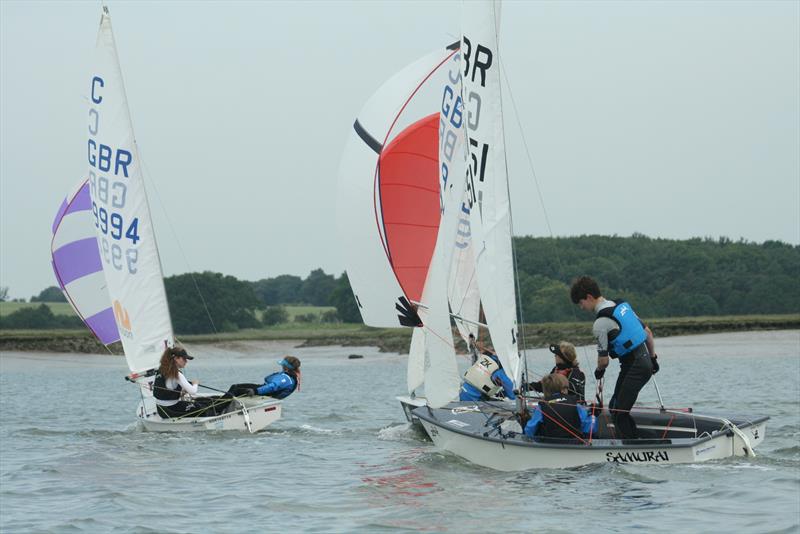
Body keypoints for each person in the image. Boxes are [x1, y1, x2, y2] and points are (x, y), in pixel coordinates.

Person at [570, 276, 659, 439]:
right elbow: (648, 333)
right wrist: (653, 360)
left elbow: (603, 361)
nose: (582, 308)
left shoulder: (600, 323)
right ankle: (635, 440)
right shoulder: (620, 306)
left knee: (619, 412)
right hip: (641, 361)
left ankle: (632, 447)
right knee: (615, 407)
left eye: (581, 303)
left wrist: (599, 371)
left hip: (636, 366)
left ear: (589, 297)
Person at [152, 346, 222, 418]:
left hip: (161, 410)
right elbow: (193, 391)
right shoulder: (177, 374)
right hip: (171, 409)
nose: (186, 361)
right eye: (184, 359)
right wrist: (195, 384)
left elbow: (168, 387)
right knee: (200, 407)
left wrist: (182, 392)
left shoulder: (162, 369)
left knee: (199, 402)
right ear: (176, 358)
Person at [524, 373, 597, 440]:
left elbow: (530, 428)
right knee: (592, 417)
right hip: (574, 443)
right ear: (563, 389)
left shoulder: (541, 407)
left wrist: (531, 439)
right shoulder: (576, 405)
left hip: (549, 444)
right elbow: (588, 423)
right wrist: (586, 437)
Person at [227, 356, 301, 399]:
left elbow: (272, 386)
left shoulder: (286, 378)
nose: (281, 366)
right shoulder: (288, 376)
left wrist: (255, 391)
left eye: (282, 364)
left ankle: (218, 408)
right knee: (235, 387)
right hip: (263, 389)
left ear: (286, 366)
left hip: (265, 394)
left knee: (235, 389)